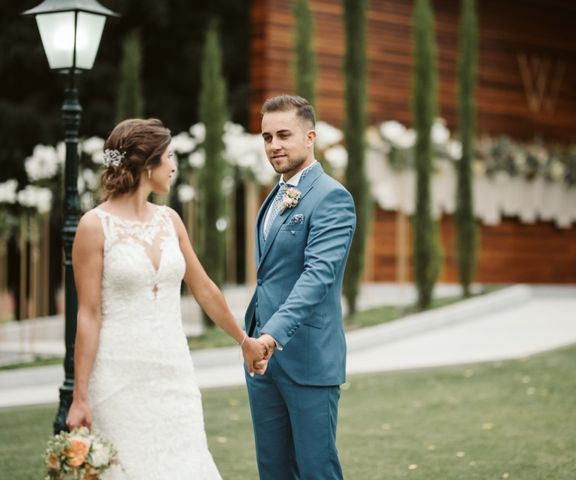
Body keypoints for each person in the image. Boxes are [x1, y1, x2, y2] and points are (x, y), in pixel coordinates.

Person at [65, 118, 267, 479]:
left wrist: (244, 340)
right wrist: (80, 395)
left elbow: (204, 288)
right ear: (147, 164)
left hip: (174, 370)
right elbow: (89, 314)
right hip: (117, 376)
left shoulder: (169, 220)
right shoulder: (94, 226)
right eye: (170, 157)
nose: (174, 166)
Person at [244, 95, 357, 479]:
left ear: (310, 137)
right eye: (266, 136)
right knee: (272, 470)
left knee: (316, 470)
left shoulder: (332, 197)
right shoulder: (275, 196)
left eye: (283, 135)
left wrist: (272, 334)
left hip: (307, 358)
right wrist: (256, 337)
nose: (273, 145)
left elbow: (317, 277)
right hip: (262, 361)